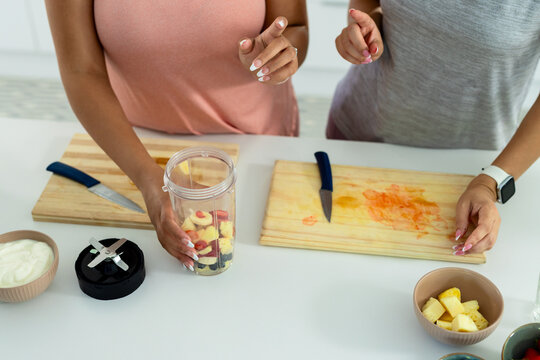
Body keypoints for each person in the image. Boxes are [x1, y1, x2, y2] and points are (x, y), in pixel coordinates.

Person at [44, 0, 308, 270]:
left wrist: (277, 54)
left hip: (257, 139)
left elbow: (297, 28)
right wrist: (149, 180)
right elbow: (81, 71)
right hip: (134, 141)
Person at [329, 1, 540, 255]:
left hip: (469, 168)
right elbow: (369, 4)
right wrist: (366, 26)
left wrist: (490, 182)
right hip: (363, 132)